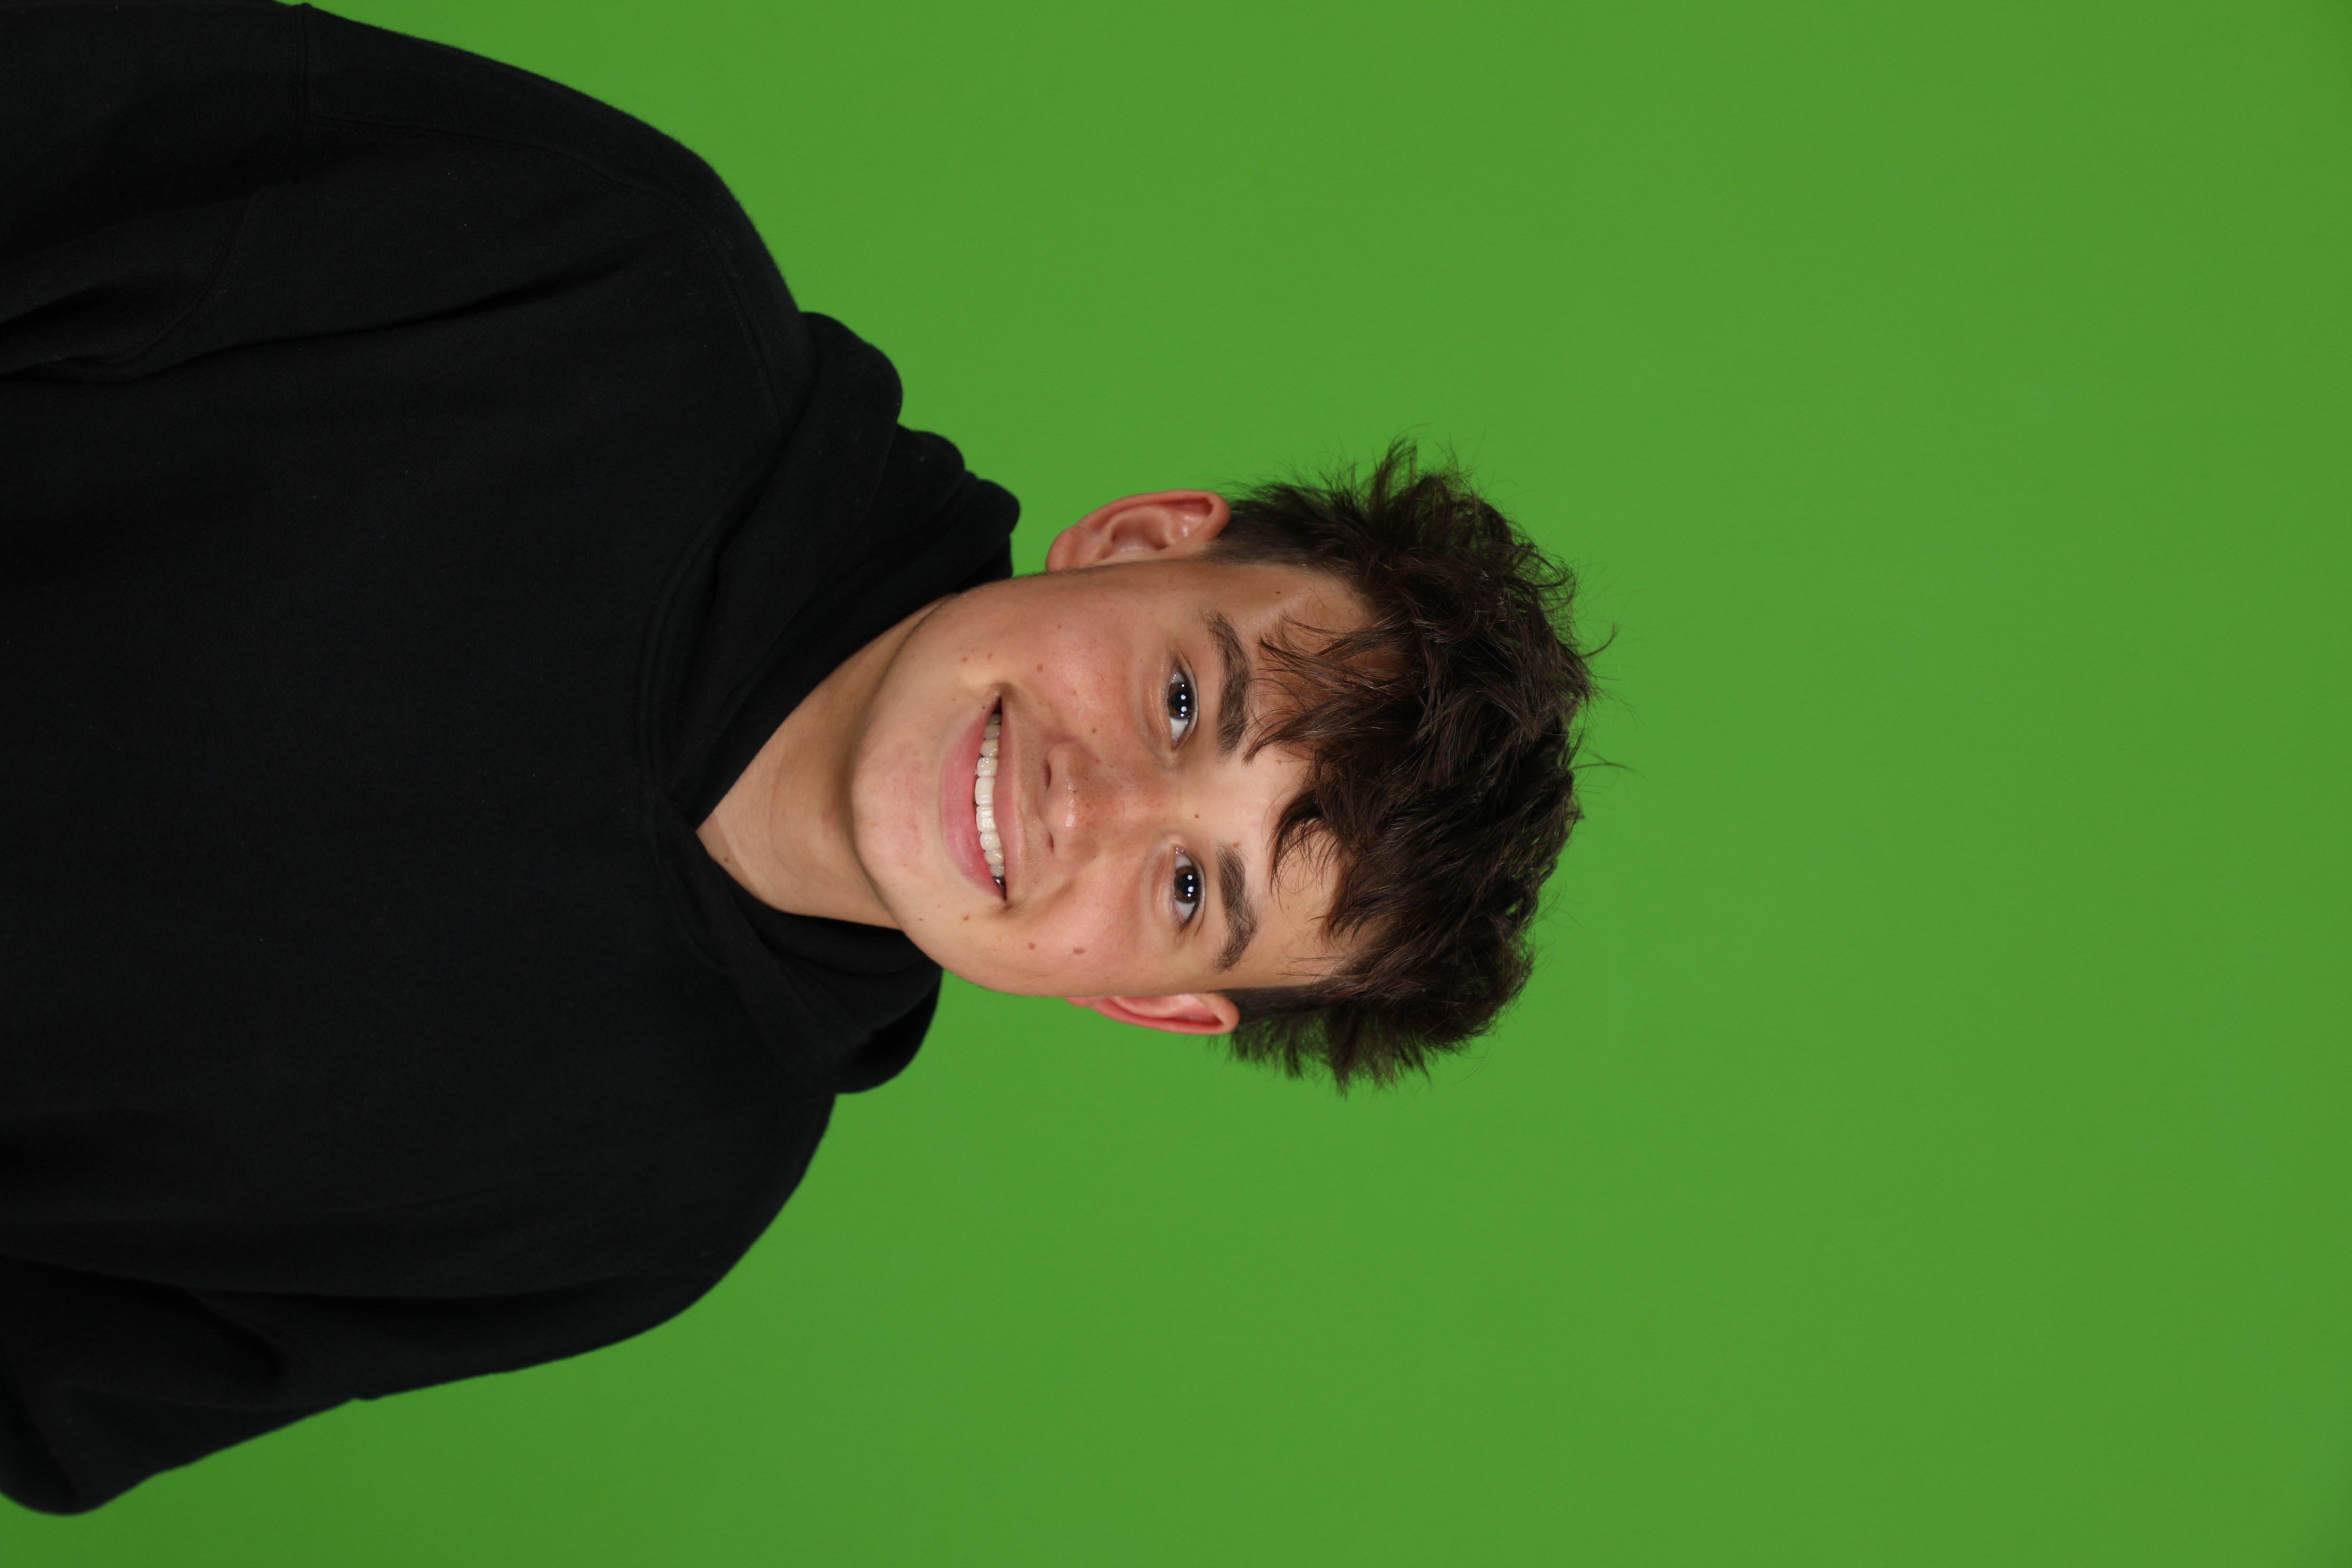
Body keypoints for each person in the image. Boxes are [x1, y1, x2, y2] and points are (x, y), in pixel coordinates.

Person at [0, 0, 1598, 1514]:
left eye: (1190, 889)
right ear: (1136, 541)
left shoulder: (641, 1210)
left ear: (1148, 1000)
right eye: (1185, 702)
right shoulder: (603, 273)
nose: (1094, 805)